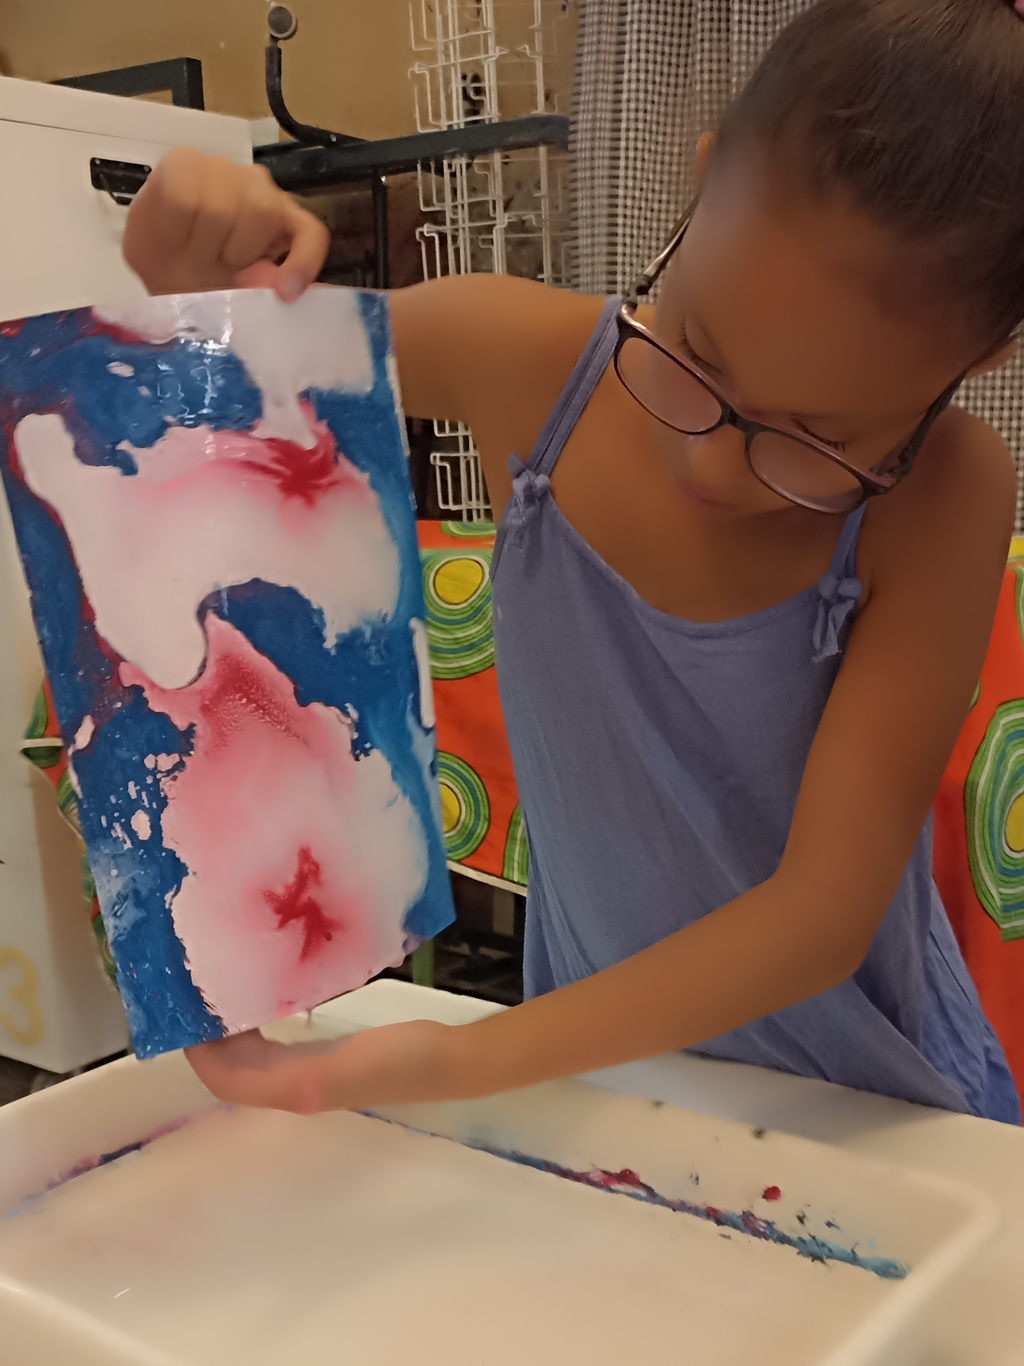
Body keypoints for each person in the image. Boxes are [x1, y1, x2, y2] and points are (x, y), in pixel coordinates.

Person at [122, 0, 1024, 1123]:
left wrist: (451, 1060)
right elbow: (202, 386)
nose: (712, 458)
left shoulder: (945, 491)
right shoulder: (526, 362)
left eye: (817, 438)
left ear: (979, 361)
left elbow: (819, 917)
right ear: (703, 184)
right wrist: (181, 264)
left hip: (870, 1111)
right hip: (604, 1093)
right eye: (696, 351)